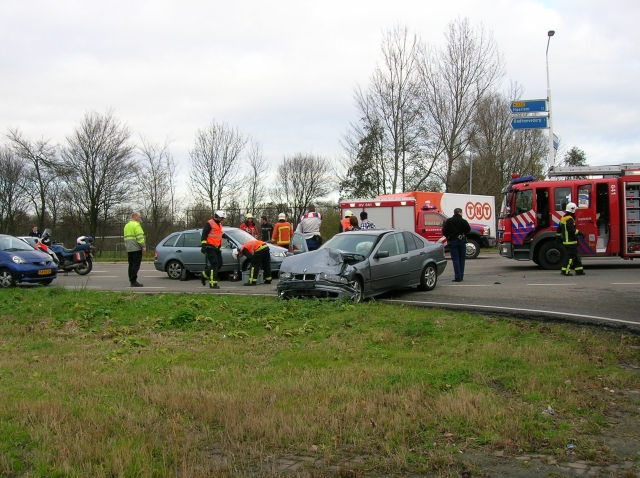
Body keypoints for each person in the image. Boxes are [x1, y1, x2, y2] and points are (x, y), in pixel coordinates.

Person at [200, 210, 228, 289]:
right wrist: (203, 245)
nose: (222, 220)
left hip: (217, 247)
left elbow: (217, 233)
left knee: (220, 264)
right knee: (214, 264)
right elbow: (204, 234)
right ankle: (213, 283)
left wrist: (224, 235)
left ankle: (204, 275)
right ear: (217, 217)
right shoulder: (209, 223)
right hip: (210, 246)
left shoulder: (219, 224)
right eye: (222, 218)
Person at [442, 207, 471, 282]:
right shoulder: (463, 221)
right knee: (462, 259)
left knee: (455, 259)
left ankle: (457, 277)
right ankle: (461, 276)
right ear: (460, 213)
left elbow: (444, 231)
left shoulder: (449, 221)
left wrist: (448, 236)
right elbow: (468, 230)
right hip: (462, 241)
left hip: (453, 241)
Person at [557, 202, 585, 276]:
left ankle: (579, 271)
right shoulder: (570, 219)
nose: (575, 211)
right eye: (575, 210)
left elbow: (559, 229)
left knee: (575, 256)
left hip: (566, 241)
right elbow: (572, 230)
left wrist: (558, 237)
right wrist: (580, 233)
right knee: (570, 257)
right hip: (571, 241)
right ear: (572, 210)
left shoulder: (563, 218)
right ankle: (565, 271)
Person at [123, 212, 146, 287]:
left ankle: (131, 279)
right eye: (139, 217)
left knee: (131, 264)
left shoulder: (126, 226)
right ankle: (133, 281)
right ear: (135, 217)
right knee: (136, 265)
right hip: (136, 248)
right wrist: (143, 246)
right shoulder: (136, 225)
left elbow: (126, 238)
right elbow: (139, 237)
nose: (140, 219)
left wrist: (127, 246)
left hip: (129, 248)